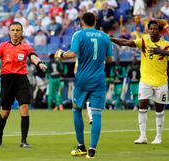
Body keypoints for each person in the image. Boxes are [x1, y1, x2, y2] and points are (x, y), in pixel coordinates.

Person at [55, 12, 113, 158]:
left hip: (82, 79)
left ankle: (81, 146)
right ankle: (92, 150)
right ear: (95, 21)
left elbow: (72, 54)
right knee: (97, 113)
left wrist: (60, 54)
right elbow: (110, 59)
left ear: (82, 22)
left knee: (76, 109)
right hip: (99, 79)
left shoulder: (79, 35)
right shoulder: (105, 37)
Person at [111, 20, 169, 144]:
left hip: (161, 81)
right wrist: (110, 38)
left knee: (159, 109)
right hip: (145, 80)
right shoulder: (144, 41)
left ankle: (158, 136)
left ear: (160, 31)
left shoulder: (167, 45)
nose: (152, 31)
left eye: (155, 29)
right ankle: (143, 136)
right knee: (142, 104)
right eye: (150, 29)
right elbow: (126, 42)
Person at [0, 21, 47, 148]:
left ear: (22, 32)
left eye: (18, 30)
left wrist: (40, 63)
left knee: (24, 108)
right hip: (7, 80)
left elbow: (33, 57)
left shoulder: (26, 47)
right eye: (13, 30)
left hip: (21, 80)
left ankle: (24, 141)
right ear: (9, 32)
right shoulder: (3, 46)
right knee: (5, 113)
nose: (15, 32)